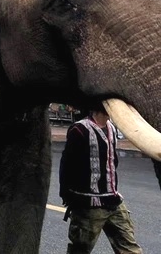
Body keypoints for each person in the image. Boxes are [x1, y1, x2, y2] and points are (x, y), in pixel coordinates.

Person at [59, 106, 142, 254]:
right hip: (89, 204)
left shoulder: (111, 128)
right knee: (80, 250)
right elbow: (67, 163)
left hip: (113, 200)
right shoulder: (79, 130)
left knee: (130, 248)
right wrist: (67, 194)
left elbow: (112, 161)